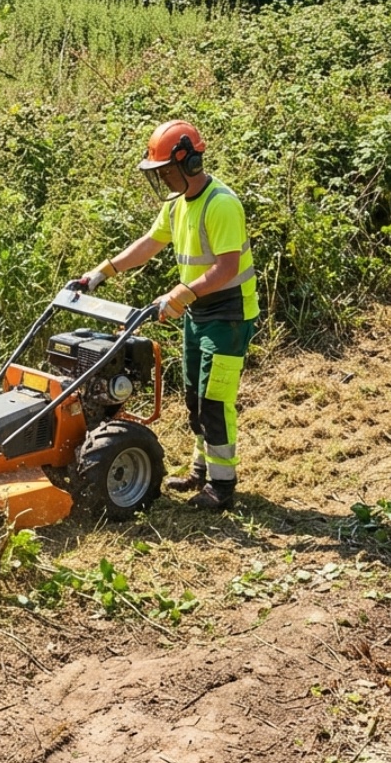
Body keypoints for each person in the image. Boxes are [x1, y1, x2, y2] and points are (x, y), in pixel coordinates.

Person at [69, 120, 259, 511]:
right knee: (193, 395)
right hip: (198, 308)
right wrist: (99, 274)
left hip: (230, 313)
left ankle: (223, 487)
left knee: (214, 399)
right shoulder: (176, 205)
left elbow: (226, 267)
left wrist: (181, 293)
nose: (162, 180)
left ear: (189, 164)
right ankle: (200, 471)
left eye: (166, 172)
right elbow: (149, 244)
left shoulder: (221, 204)